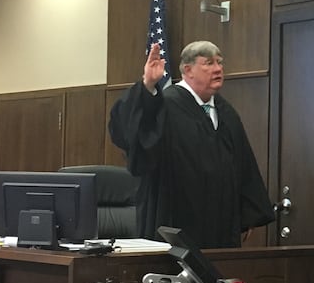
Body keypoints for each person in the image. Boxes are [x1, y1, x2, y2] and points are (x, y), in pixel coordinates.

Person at [109, 41, 275, 249]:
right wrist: (148, 85)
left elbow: (242, 163)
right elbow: (130, 131)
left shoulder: (225, 111)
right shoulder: (165, 105)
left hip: (221, 224)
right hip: (175, 220)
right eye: (208, 63)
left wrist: (246, 213)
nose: (218, 69)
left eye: (219, 63)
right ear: (188, 70)